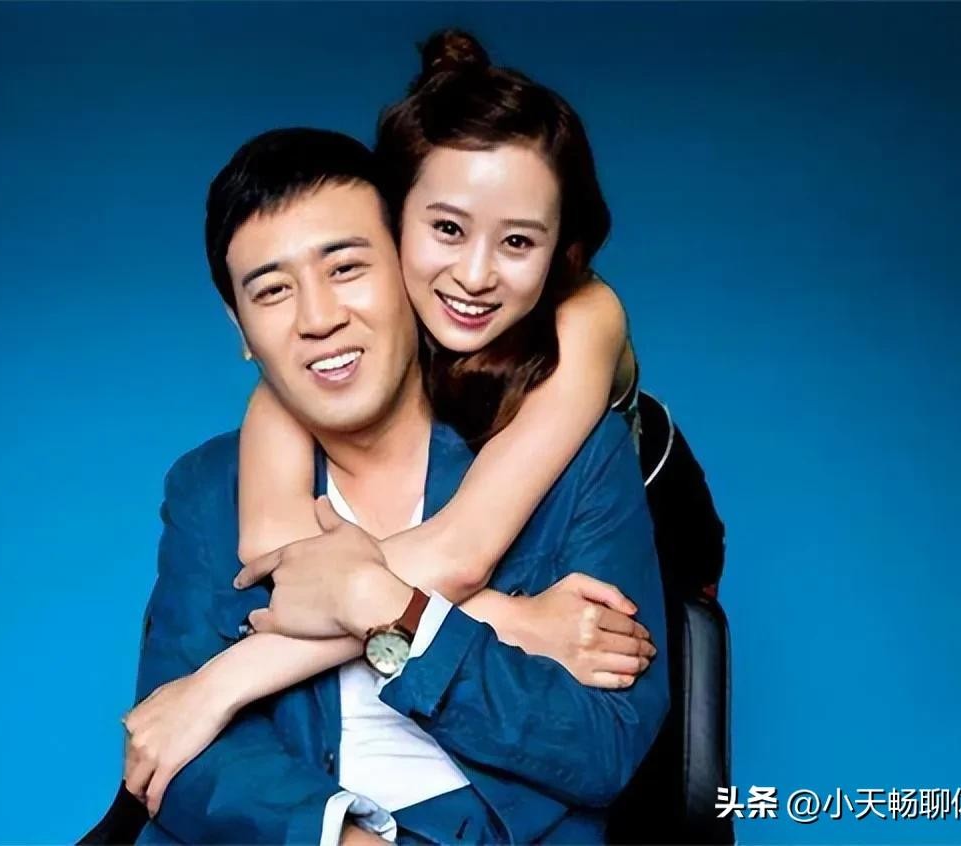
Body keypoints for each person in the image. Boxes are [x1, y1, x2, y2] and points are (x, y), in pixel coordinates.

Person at [122, 28, 725, 822]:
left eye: (518, 241)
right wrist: (500, 619)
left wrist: (255, 663)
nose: (473, 274)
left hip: (659, 517)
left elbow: (463, 557)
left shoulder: (583, 339)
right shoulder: (240, 451)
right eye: (446, 230)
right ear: (405, 228)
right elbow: (276, 575)